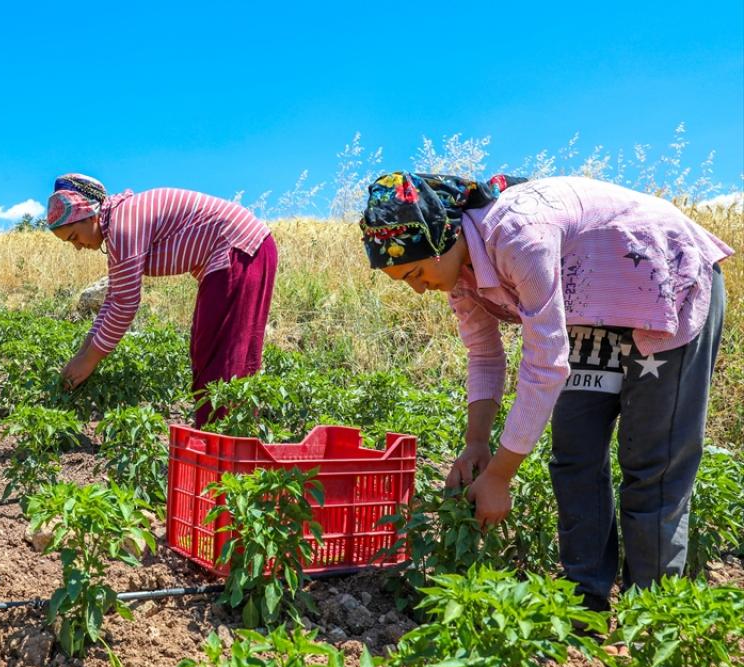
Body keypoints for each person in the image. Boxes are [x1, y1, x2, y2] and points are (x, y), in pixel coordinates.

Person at [359, 172, 732, 611]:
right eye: (405, 281)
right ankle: (585, 607)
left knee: (654, 463)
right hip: (593, 311)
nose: (418, 288)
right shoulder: (458, 275)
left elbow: (546, 363)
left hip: (665, 283)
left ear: (444, 236)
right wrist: (477, 444)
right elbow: (483, 355)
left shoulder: (518, 233)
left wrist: (499, 475)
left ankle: (648, 619)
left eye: (416, 272)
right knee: (575, 453)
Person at [46, 174, 277, 428]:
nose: (77, 246)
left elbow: (125, 305)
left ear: (91, 215)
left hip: (240, 251)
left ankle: (225, 447)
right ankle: (221, 442)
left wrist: (88, 362)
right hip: (237, 252)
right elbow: (113, 299)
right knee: (207, 350)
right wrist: (82, 352)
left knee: (222, 358)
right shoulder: (118, 225)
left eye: (74, 237)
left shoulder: (124, 226)